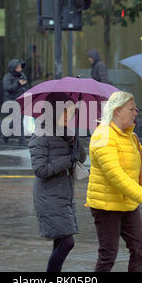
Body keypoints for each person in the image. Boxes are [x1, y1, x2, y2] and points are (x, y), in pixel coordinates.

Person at [86, 91, 142, 272]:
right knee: (108, 255)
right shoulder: (102, 137)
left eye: (135, 109)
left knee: (139, 249)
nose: (135, 113)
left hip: (127, 204)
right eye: (131, 109)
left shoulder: (129, 136)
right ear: (116, 111)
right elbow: (115, 175)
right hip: (106, 206)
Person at [29, 92, 86, 272]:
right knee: (67, 242)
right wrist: (67, 159)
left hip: (63, 193)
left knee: (61, 240)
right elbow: (40, 170)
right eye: (67, 112)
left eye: (72, 113)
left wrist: (75, 141)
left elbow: (82, 158)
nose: (70, 116)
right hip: (48, 195)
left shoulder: (65, 133)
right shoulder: (41, 135)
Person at [2, 59, 30, 145]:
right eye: (17, 67)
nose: (19, 69)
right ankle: (22, 141)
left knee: (16, 119)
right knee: (18, 119)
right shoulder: (7, 77)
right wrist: (18, 83)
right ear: (13, 68)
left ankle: (5, 134)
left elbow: (26, 86)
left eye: (20, 67)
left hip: (21, 101)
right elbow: (8, 88)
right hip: (11, 101)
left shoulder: (22, 75)